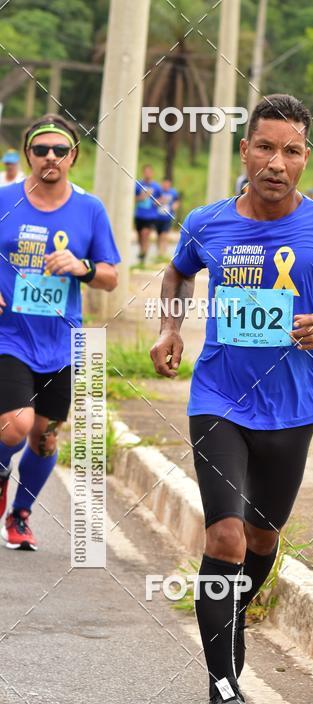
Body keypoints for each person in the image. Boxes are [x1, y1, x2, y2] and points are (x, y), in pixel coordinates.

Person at [150, 94, 313, 704]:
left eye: (291, 150)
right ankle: (222, 685)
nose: (276, 162)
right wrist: (169, 329)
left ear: (304, 158)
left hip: (292, 411)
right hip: (218, 400)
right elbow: (176, 274)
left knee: (264, 540)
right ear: (244, 151)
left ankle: (231, 613)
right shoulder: (207, 223)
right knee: (226, 539)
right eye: (265, 147)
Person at [0, 114, 120, 551]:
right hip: (9, 334)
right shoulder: (4, 199)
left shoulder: (90, 209)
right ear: (28, 153)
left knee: (45, 438)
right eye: (40, 150)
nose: (50, 157)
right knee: (16, 426)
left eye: (59, 150)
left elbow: (110, 276)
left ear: (74, 155)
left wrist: (82, 268)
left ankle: (21, 513)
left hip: (63, 343)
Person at [134, 164, 161, 264]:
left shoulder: (156, 186)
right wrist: (142, 197)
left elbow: (161, 198)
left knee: (145, 233)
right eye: (146, 172)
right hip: (139, 214)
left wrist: (158, 202)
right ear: (143, 172)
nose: (148, 174)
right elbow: (132, 199)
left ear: (152, 173)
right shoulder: (138, 185)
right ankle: (142, 252)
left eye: (149, 172)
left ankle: (144, 252)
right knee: (140, 235)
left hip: (151, 215)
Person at [155, 177, 180, 258]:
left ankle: (163, 252)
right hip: (158, 217)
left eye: (167, 184)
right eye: (164, 183)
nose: (166, 185)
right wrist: (160, 201)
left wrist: (175, 206)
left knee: (164, 234)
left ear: (170, 184)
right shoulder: (158, 191)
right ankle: (159, 252)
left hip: (168, 217)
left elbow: (177, 201)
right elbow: (153, 202)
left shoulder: (173, 192)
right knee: (158, 235)